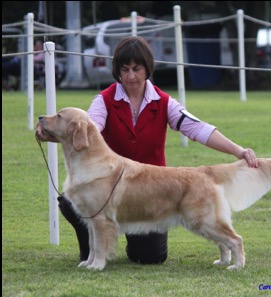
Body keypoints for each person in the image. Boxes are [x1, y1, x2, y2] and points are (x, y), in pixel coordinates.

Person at [57, 36, 258, 265]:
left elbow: (198, 128)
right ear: (117, 71)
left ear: (147, 69)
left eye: (136, 69)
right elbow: (88, 133)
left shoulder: (163, 102)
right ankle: (91, 251)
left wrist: (237, 151)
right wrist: (56, 133)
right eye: (124, 70)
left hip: (153, 193)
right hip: (109, 187)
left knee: (150, 257)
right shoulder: (103, 101)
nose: (130, 76)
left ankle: (123, 241)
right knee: (73, 199)